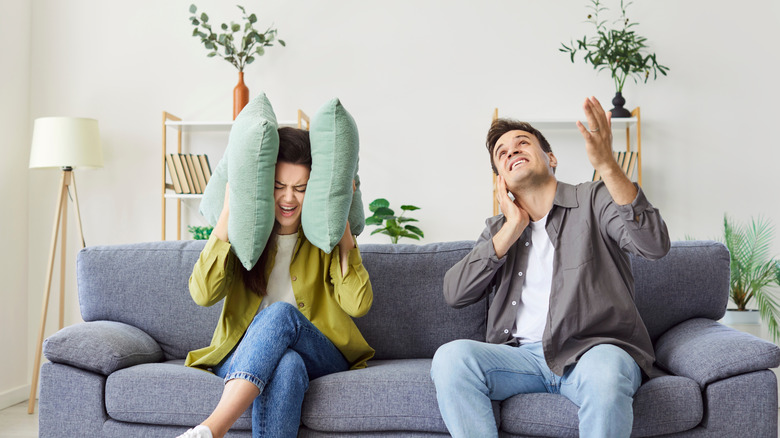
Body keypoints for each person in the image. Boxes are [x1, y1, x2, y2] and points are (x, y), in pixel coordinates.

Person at [430, 96, 670, 438]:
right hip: (519, 360)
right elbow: (454, 293)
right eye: (502, 153)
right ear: (500, 179)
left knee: (607, 371)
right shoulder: (499, 230)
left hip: (592, 352)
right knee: (452, 359)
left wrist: (608, 166)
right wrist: (512, 228)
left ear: (551, 158)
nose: (511, 151)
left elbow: (654, 245)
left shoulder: (595, 198)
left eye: (522, 143)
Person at [177, 127, 374, 438]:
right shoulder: (247, 237)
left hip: (319, 351)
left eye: (300, 188)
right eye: (279, 186)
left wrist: (344, 224)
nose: (288, 197)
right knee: (287, 365)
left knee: (281, 314)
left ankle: (211, 429)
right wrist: (228, 215)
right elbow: (202, 293)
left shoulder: (323, 239)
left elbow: (358, 304)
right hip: (246, 352)